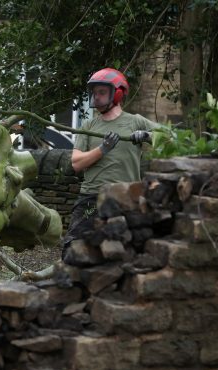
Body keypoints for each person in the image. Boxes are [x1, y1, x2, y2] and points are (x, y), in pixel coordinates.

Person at [64, 67, 158, 251]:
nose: (96, 97)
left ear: (118, 93)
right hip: (92, 198)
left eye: (102, 92)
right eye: (94, 92)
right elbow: (76, 163)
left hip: (127, 196)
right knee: (73, 248)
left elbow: (170, 136)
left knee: (129, 249)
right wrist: (102, 149)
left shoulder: (136, 121)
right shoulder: (88, 125)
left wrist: (148, 136)